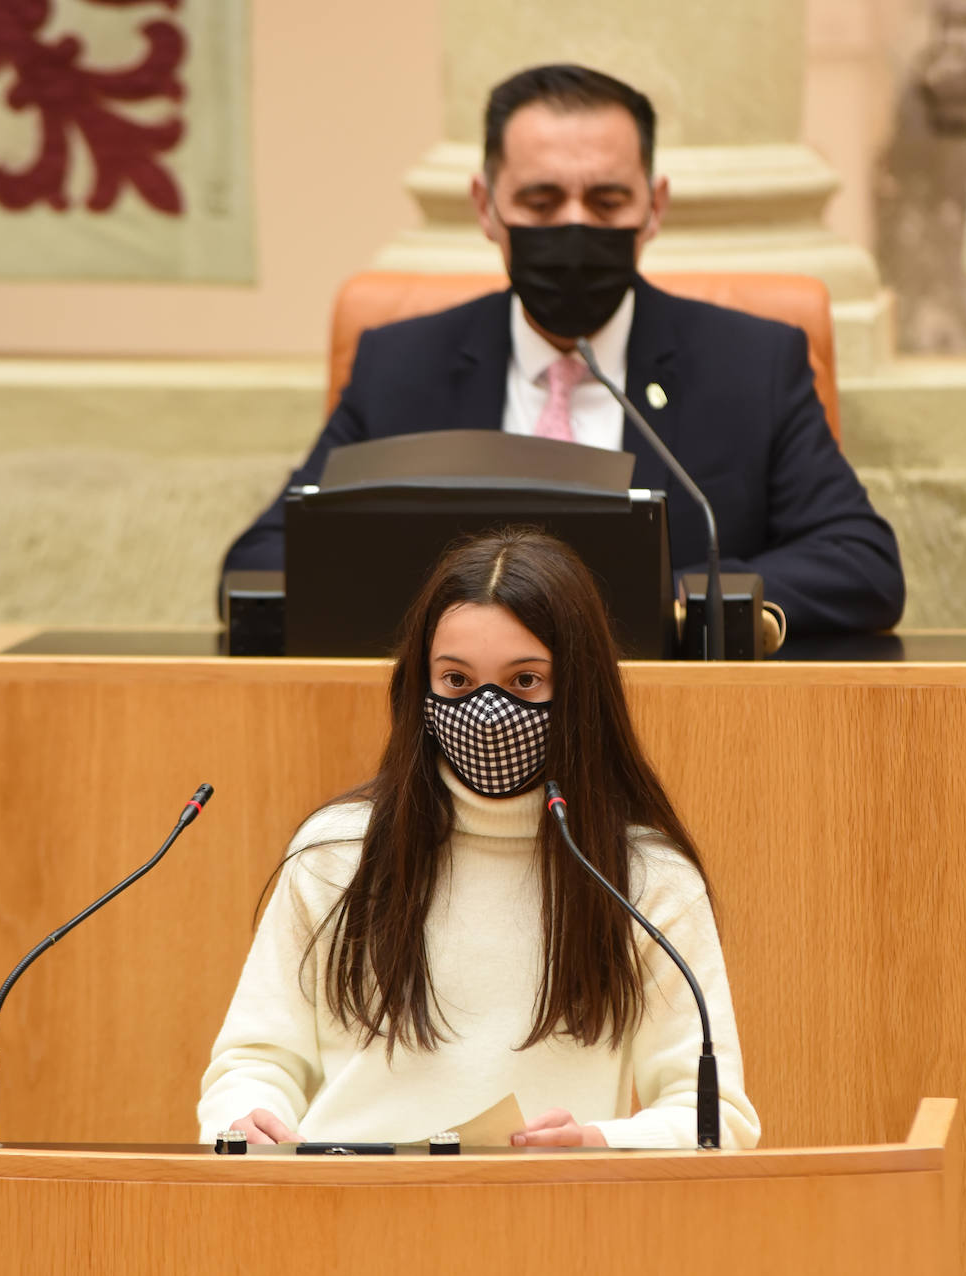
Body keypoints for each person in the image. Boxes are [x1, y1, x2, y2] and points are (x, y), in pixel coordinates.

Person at [221, 63, 904, 639]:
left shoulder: (749, 365)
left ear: (653, 207)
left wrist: (664, 604)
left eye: (606, 201)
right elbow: (258, 566)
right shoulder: (402, 367)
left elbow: (860, 564)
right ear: (486, 207)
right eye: (541, 201)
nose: (574, 226)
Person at [198, 528, 760, 1149]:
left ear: (578, 692)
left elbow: (715, 1119)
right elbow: (252, 1063)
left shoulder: (643, 878)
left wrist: (599, 1143)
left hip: (542, 1222)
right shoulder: (335, 854)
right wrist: (243, 1119)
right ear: (421, 688)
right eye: (458, 682)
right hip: (342, 1212)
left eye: (524, 682)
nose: (487, 711)